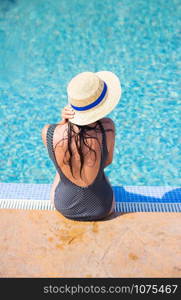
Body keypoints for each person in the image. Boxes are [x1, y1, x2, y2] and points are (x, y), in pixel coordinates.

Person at [41, 71, 121, 221]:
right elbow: (107, 162)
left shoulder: (49, 132)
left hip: (64, 206)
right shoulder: (107, 128)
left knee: (61, 168)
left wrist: (62, 122)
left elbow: (59, 148)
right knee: (99, 171)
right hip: (103, 208)